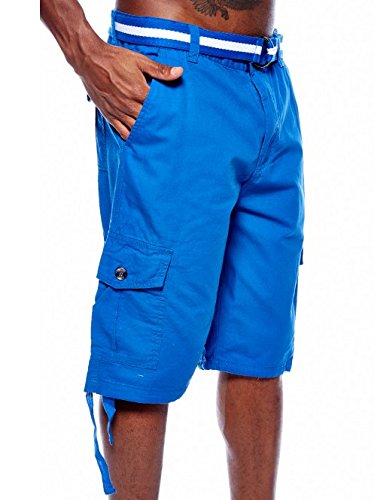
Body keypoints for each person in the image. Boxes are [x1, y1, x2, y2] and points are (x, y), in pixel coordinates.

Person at [40, 0, 305, 497]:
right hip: (172, 72)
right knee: (145, 351)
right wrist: (82, 47)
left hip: (268, 82)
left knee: (257, 351)